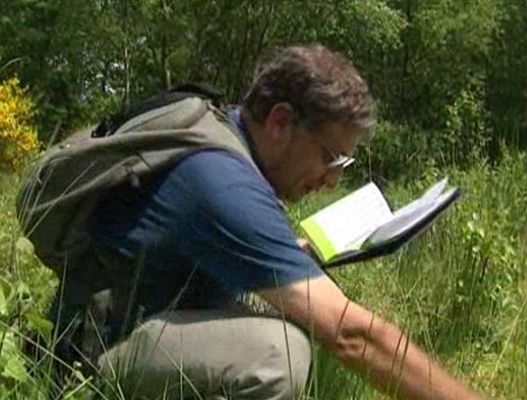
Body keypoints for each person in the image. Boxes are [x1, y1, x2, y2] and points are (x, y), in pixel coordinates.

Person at [51, 44, 485, 399]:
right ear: (280, 121)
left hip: (140, 321)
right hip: (90, 358)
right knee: (279, 355)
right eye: (330, 157)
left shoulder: (227, 141)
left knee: (294, 314)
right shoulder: (220, 180)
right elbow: (353, 336)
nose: (333, 177)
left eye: (344, 162)